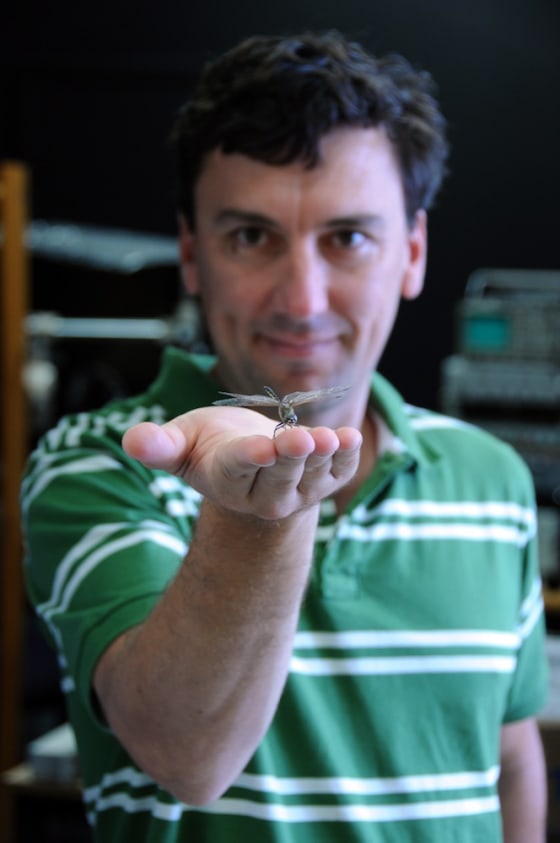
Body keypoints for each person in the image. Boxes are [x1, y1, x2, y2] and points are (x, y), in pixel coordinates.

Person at [21, 30, 549, 842]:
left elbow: (509, 758)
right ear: (192, 255)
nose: (302, 300)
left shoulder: (492, 476)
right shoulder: (96, 464)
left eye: (348, 238)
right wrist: (257, 513)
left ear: (412, 253)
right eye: (251, 236)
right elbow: (188, 757)